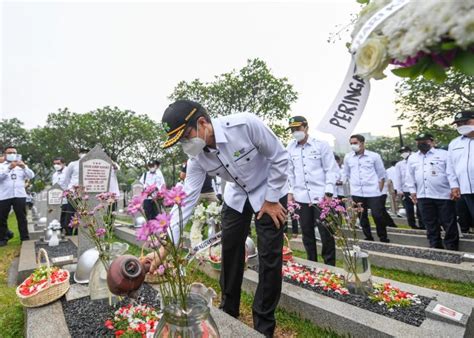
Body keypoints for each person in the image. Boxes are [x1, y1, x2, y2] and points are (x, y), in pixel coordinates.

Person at [147, 99, 288, 337]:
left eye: (185, 137)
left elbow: (280, 156)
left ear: (203, 123)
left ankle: (263, 325)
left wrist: (272, 199)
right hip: (236, 197)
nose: (185, 145)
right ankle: (228, 309)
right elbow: (186, 203)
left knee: (269, 257)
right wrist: (164, 248)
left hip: (269, 192)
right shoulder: (196, 160)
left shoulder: (245, 125)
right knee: (230, 250)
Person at [286, 116, 337, 265]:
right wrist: (290, 192)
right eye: (293, 130)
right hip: (301, 197)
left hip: (320, 196)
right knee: (306, 233)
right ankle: (312, 263)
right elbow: (290, 173)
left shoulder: (321, 145)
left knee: (326, 233)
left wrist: (328, 192)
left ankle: (329, 265)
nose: (295, 132)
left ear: (306, 127)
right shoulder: (289, 148)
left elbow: (330, 169)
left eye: (298, 128)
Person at [406, 133, 459, 250]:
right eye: (419, 141)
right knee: (429, 222)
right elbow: (409, 176)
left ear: (432, 141)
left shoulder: (444, 154)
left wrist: (454, 187)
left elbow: (451, 172)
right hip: (423, 195)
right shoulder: (413, 157)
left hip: (443, 194)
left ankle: (451, 245)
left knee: (448, 222)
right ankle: (435, 244)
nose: (422, 143)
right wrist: (412, 191)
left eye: (425, 140)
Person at [344, 134, 389, 242]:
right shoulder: (348, 157)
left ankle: (383, 236)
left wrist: (379, 189)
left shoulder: (374, 156)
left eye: (355, 143)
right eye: (351, 143)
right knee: (361, 216)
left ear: (362, 143)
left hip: (373, 191)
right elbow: (346, 173)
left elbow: (381, 174)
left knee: (377, 215)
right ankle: (368, 236)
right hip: (357, 192)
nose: (353, 145)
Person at [0, 146, 35, 245]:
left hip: (19, 195)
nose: (12, 154)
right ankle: (3, 239)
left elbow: (31, 176)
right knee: (2, 218)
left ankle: (24, 238)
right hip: (4, 195)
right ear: (5, 154)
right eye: (9, 152)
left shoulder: (21, 166)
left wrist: (24, 167)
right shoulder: (2, 166)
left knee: (22, 217)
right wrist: (9, 167)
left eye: (14, 152)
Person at [447, 110, 474, 233]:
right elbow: (451, 167)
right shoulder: (454, 144)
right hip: (466, 189)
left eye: (465, 122)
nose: (462, 126)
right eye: (458, 124)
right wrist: (454, 185)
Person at [394, 146, 425, 229]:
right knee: (409, 208)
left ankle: (422, 224)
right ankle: (412, 224)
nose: (403, 153)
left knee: (420, 207)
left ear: (410, 151)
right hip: (406, 189)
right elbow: (398, 178)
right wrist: (399, 190)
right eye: (402, 152)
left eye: (405, 151)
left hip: (418, 188)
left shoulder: (417, 160)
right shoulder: (399, 164)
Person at [63, 148, 89, 235]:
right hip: (74, 193)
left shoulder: (91, 164)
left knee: (84, 214)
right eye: (82, 152)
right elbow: (67, 178)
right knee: (71, 214)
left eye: (86, 152)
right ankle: (70, 233)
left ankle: (81, 233)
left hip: (86, 194)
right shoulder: (73, 164)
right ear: (79, 154)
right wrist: (70, 189)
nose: (84, 154)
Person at [52, 157, 69, 232]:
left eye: (58, 163)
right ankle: (60, 233)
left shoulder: (68, 172)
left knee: (67, 219)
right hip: (57, 200)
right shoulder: (54, 175)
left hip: (67, 199)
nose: (56, 165)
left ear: (63, 164)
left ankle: (69, 234)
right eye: (55, 164)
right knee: (60, 219)